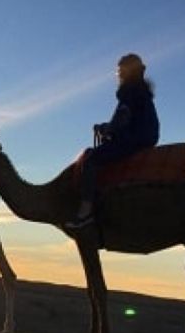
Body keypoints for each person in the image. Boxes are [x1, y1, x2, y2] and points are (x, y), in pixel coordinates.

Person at [68, 53, 160, 229]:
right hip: (143, 137)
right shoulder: (140, 92)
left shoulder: (131, 92)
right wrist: (108, 127)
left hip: (134, 139)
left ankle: (85, 211)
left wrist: (107, 129)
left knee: (90, 160)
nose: (118, 75)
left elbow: (121, 119)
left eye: (120, 71)